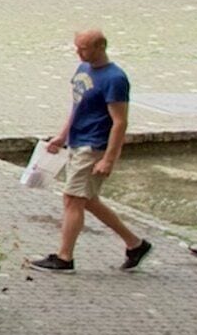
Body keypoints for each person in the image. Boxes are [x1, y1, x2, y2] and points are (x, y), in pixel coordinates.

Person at [36, 27, 152, 272]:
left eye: (84, 48)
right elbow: (77, 106)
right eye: (77, 48)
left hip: (93, 145)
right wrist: (62, 136)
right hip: (78, 141)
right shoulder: (83, 69)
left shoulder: (115, 79)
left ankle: (64, 257)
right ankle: (135, 244)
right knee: (86, 200)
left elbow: (120, 122)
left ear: (101, 47)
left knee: (72, 199)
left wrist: (108, 159)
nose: (79, 53)